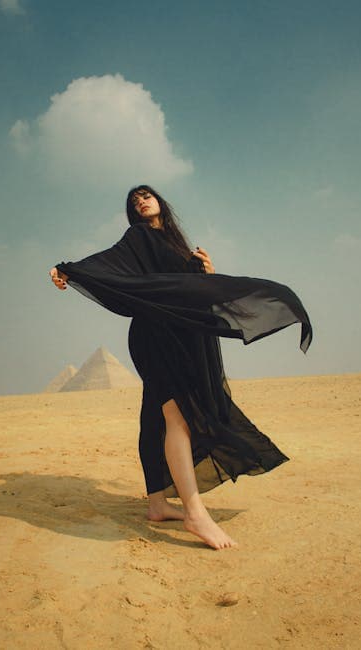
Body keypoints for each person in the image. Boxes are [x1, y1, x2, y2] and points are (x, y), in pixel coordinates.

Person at [49, 185, 312, 550]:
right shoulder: (138, 237)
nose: (141, 201)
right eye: (134, 200)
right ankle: (194, 513)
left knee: (155, 418)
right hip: (156, 338)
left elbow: (187, 290)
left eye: (146, 195)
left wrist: (206, 271)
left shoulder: (175, 244)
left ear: (160, 201)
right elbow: (108, 261)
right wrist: (67, 270)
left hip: (178, 336)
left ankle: (157, 503)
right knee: (178, 419)